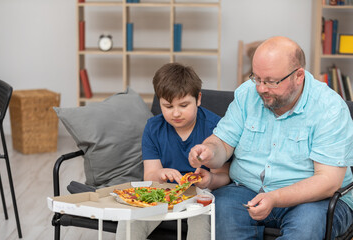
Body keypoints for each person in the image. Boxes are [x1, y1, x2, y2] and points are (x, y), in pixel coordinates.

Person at [188, 36, 353, 240]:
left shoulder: (329, 107)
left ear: (299, 76)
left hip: (313, 200)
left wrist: (275, 198)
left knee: (307, 228)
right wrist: (209, 151)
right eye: (256, 78)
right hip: (246, 190)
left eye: (271, 81)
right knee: (221, 210)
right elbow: (222, 143)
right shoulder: (247, 94)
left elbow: (328, 182)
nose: (260, 88)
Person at [116, 62, 231, 240]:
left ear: (198, 99)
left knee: (200, 220)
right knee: (130, 219)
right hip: (164, 192)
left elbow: (225, 177)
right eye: (168, 107)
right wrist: (160, 174)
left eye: (184, 105)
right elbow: (150, 176)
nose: (176, 113)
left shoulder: (215, 127)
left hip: (203, 194)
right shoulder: (153, 128)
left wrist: (210, 180)